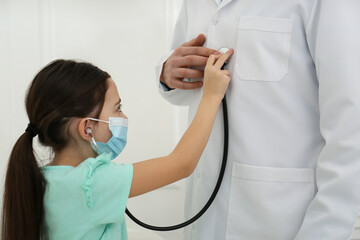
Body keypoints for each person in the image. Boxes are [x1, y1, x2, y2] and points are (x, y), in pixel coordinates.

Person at [156, 0, 360, 239]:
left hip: (282, 219)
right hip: (201, 210)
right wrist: (167, 73)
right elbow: (190, 83)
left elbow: (350, 125)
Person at [1, 50, 233, 240]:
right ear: (87, 128)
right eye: (118, 108)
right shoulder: (91, 183)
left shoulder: (42, 178)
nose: (124, 118)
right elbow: (182, 163)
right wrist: (211, 95)